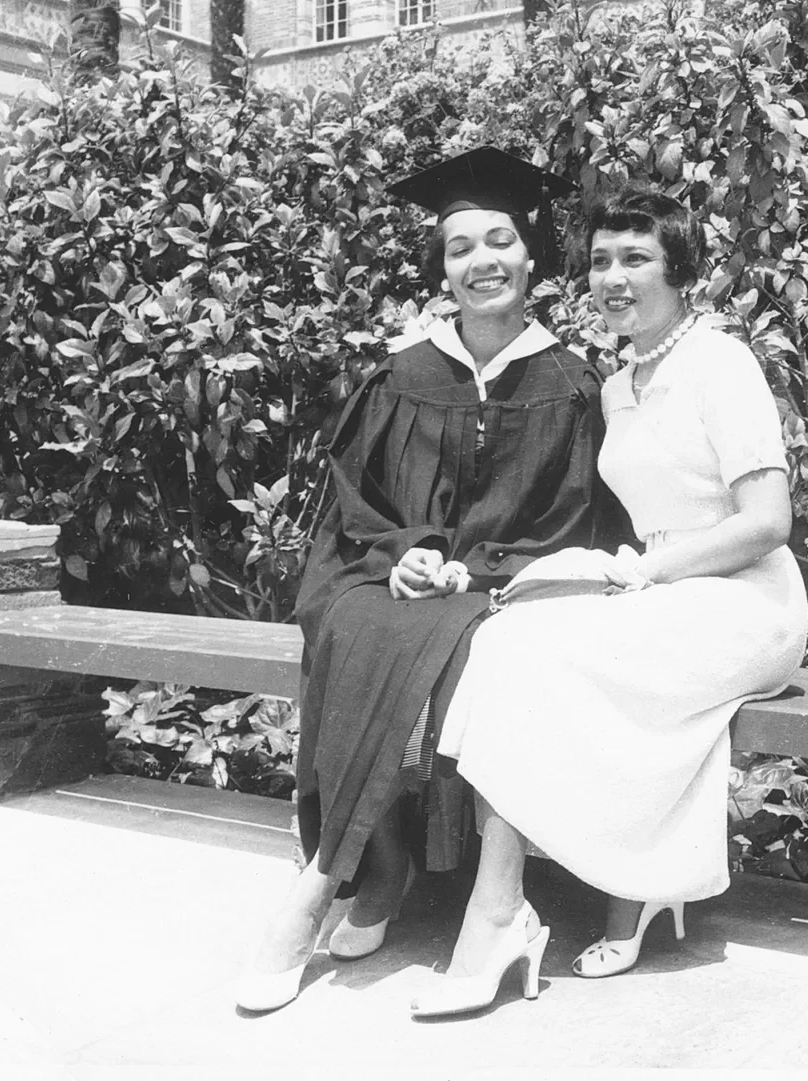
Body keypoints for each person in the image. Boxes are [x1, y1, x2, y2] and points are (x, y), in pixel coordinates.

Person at [236, 147, 616, 1012]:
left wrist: (475, 567)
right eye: (459, 246)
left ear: (533, 255)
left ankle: (333, 879)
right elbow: (352, 506)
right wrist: (402, 550)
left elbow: (575, 522)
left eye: (500, 239)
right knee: (355, 620)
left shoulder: (570, 384)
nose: (481, 261)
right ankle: (376, 869)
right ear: (440, 266)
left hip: (508, 587)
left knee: (474, 643)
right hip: (398, 576)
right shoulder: (403, 374)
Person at [412, 187, 808, 1017]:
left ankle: (500, 915)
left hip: (743, 603)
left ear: (681, 270)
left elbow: (767, 522)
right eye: (599, 261)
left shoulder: (721, 363)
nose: (613, 278)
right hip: (661, 593)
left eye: (637, 259)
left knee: (533, 653)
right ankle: (524, 902)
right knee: (507, 635)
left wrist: (646, 577)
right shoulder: (621, 382)